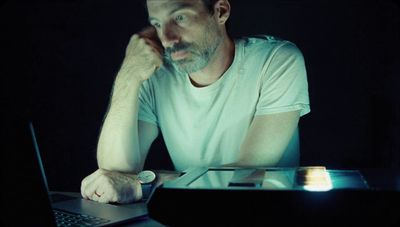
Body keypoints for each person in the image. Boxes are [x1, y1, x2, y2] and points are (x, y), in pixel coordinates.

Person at [81, 0, 310, 204]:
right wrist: (127, 76)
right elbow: (114, 173)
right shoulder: (156, 75)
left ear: (220, 11)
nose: (167, 38)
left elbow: (245, 178)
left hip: (265, 215)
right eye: (158, 24)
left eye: (180, 17)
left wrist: (148, 183)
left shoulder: (277, 60)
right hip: (191, 212)